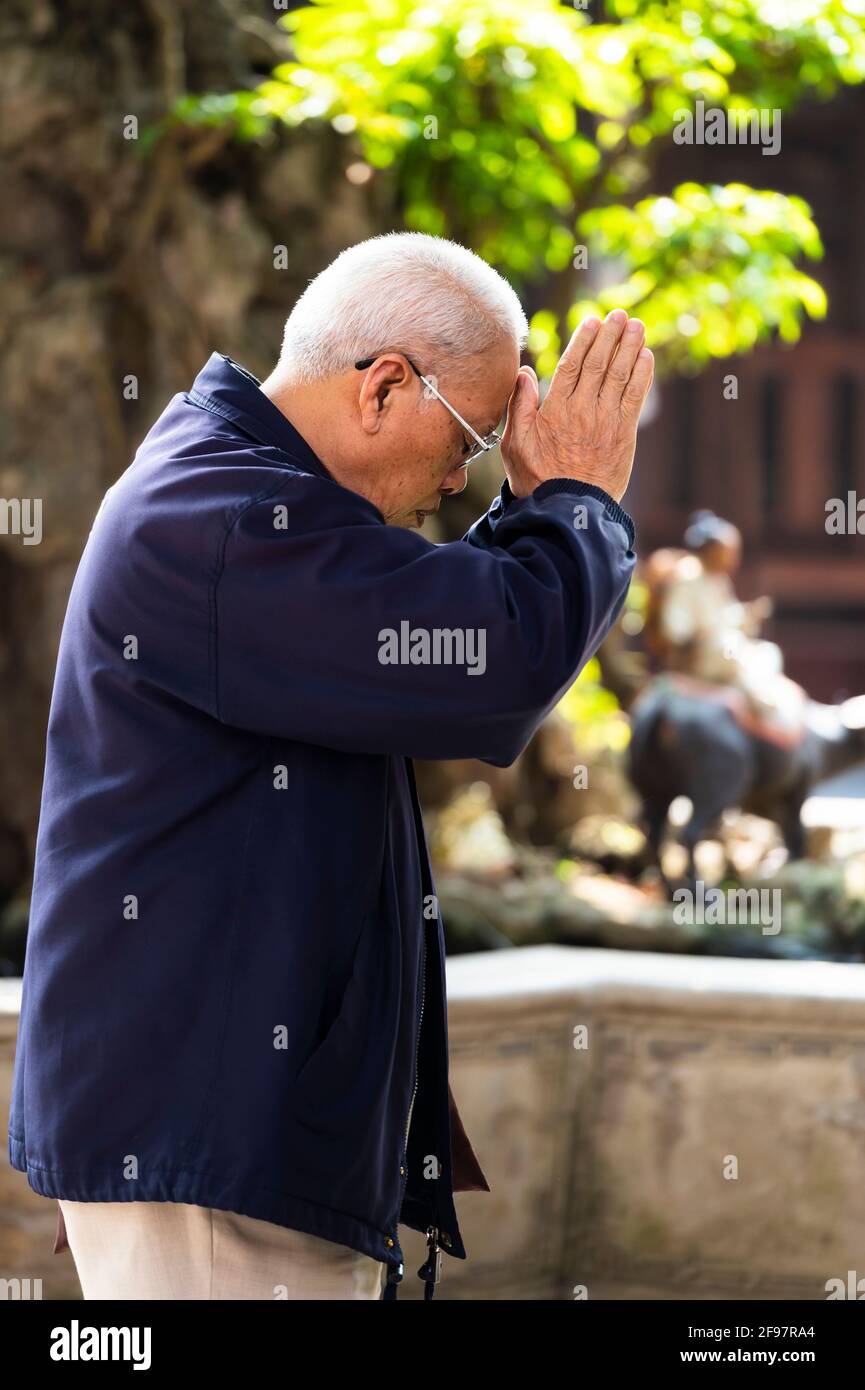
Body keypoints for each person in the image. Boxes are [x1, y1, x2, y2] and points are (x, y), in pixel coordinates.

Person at [8, 232, 653, 1300]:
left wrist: (548, 516)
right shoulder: (222, 520)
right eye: (471, 439)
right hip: (205, 1144)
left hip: (230, 1127)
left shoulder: (253, 497)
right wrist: (574, 501)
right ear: (385, 385)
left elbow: (429, 622)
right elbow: (489, 662)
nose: (461, 479)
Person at [655, 510, 805, 731]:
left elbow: (726, 616)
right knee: (733, 652)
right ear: (712, 550)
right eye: (729, 551)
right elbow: (675, 628)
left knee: (768, 652)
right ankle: (761, 701)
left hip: (722, 646)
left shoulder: (718, 580)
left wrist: (747, 615)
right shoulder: (687, 577)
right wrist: (704, 631)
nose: (733, 558)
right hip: (701, 654)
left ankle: (764, 700)